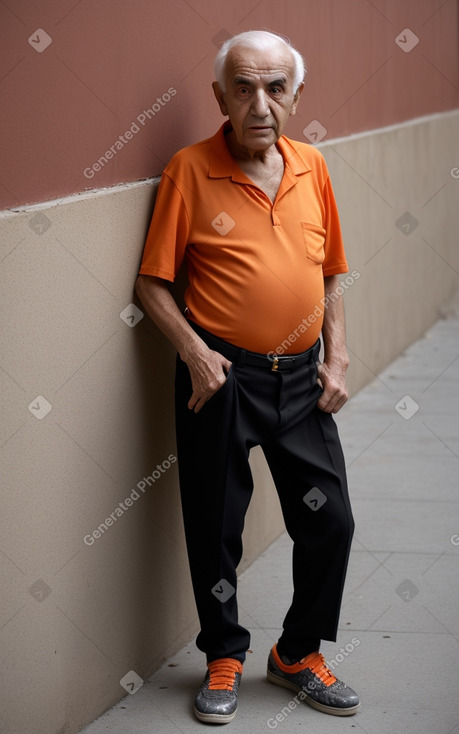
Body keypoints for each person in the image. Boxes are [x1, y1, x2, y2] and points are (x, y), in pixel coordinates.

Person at [135, 29, 360, 725]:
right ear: (220, 98)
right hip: (222, 378)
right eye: (243, 87)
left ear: (295, 96)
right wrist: (196, 355)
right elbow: (151, 286)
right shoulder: (189, 170)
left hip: (300, 382)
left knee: (332, 521)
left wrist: (337, 354)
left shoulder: (311, 166)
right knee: (215, 524)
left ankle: (296, 653)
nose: (259, 103)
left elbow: (328, 273)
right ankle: (224, 654)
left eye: (274, 87)